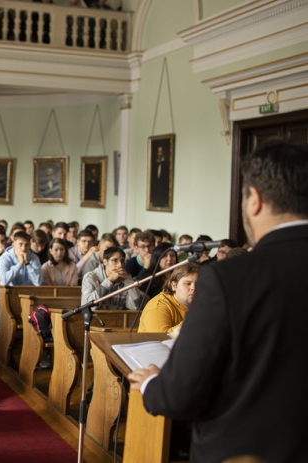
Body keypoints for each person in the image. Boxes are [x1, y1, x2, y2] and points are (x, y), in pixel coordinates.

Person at [128, 139, 308, 463]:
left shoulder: (229, 278)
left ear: (254, 200)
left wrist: (153, 383)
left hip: (245, 450)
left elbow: (179, 395)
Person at [138, 262, 199, 334]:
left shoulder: (203, 303)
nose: (194, 288)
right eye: (188, 284)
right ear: (174, 286)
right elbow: (161, 337)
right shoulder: (158, 307)